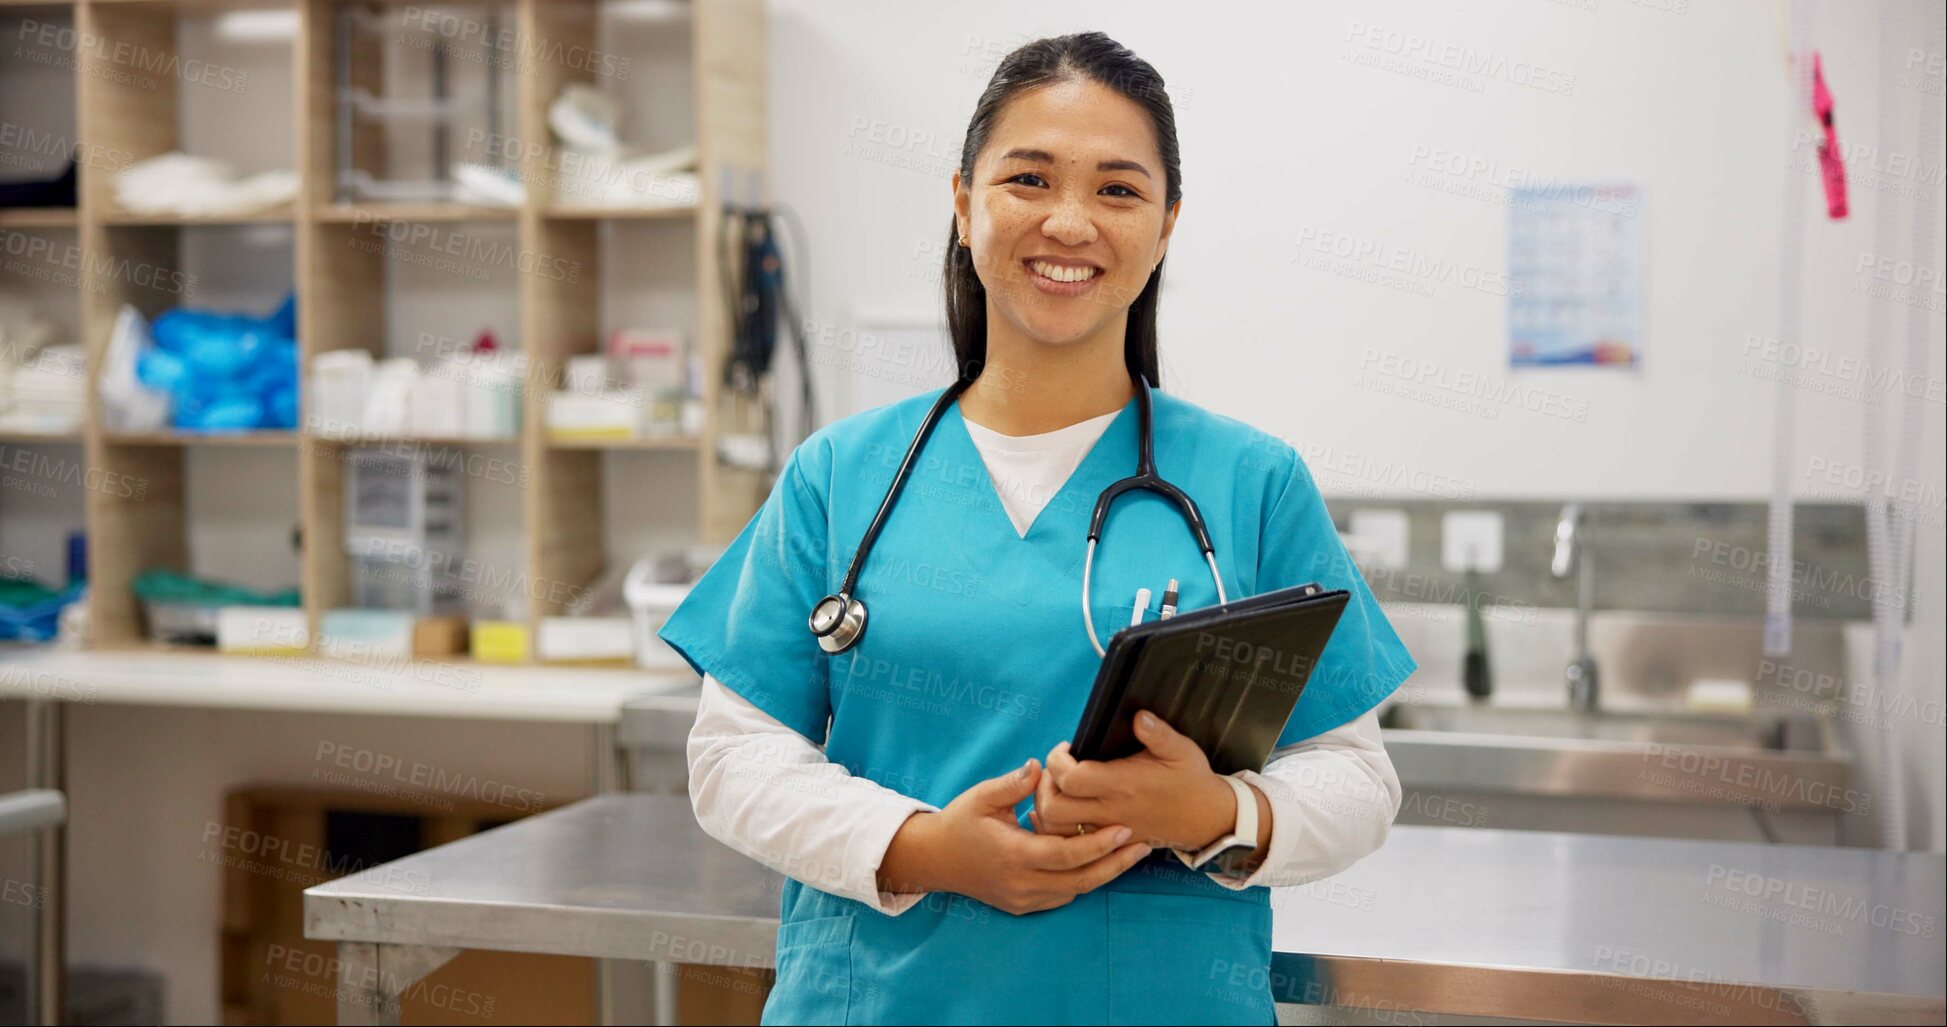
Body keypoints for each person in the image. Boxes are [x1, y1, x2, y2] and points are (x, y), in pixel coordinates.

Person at [658, 30, 1417, 1025]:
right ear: (965, 200)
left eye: (1117, 189)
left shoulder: (1253, 485)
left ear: (1166, 225)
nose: (1070, 222)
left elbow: (1357, 777)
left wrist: (1215, 811)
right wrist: (924, 846)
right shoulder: (840, 477)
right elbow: (732, 760)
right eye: (1029, 178)